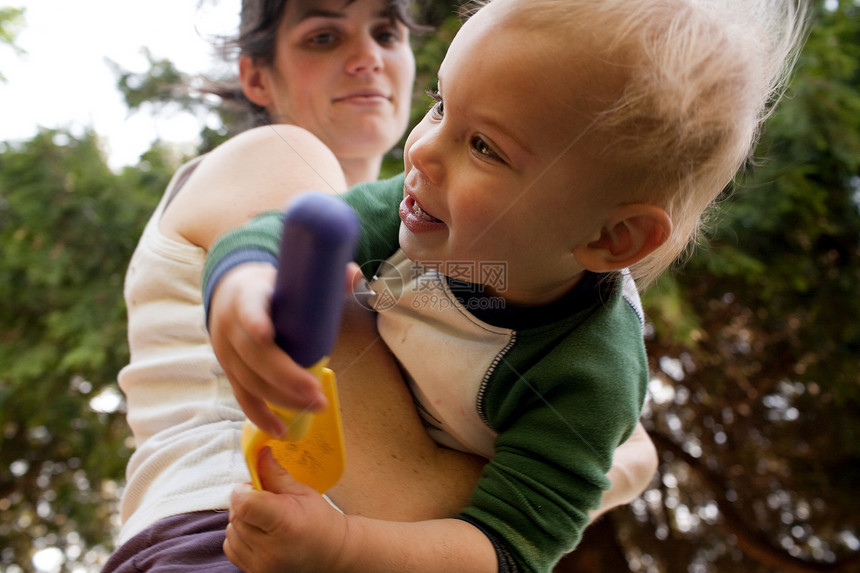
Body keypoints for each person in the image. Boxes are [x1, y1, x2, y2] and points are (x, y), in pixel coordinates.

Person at [202, 0, 807, 571]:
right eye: (440, 105)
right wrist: (243, 283)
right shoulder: (412, 213)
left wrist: (342, 550)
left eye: (484, 146)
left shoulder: (587, 379)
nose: (421, 153)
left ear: (614, 238)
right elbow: (276, 235)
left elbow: (507, 547)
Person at [106, 0, 659, 571]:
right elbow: (405, 497)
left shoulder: (462, 248)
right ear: (256, 76)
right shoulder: (279, 158)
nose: (367, 56)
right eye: (324, 37)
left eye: (386, 33)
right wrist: (618, 470)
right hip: (221, 539)